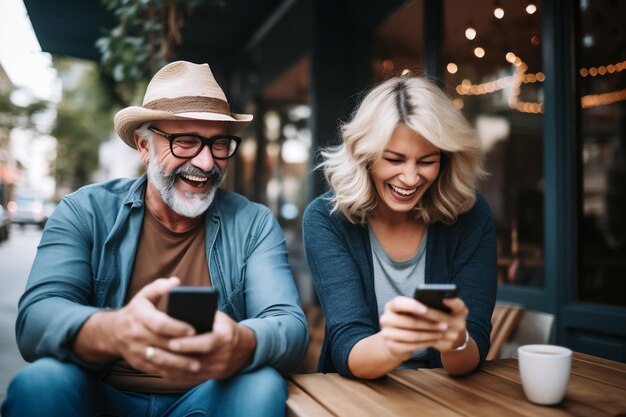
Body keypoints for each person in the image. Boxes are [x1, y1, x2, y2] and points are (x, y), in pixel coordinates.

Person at [2, 61, 309, 417]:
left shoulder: (253, 223)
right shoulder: (84, 211)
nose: (207, 163)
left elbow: (288, 324)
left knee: (262, 384)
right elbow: (36, 319)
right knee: (40, 384)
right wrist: (114, 330)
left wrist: (242, 342)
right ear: (144, 146)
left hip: (205, 397)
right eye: (186, 142)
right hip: (99, 396)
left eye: (219, 143)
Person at [303, 75, 497, 379]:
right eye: (394, 159)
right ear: (364, 155)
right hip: (358, 395)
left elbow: (473, 352)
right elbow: (348, 347)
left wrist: (456, 339)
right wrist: (397, 342)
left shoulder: (470, 214)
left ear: (445, 160)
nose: (409, 178)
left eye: (426, 161)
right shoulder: (326, 219)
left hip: (446, 393)